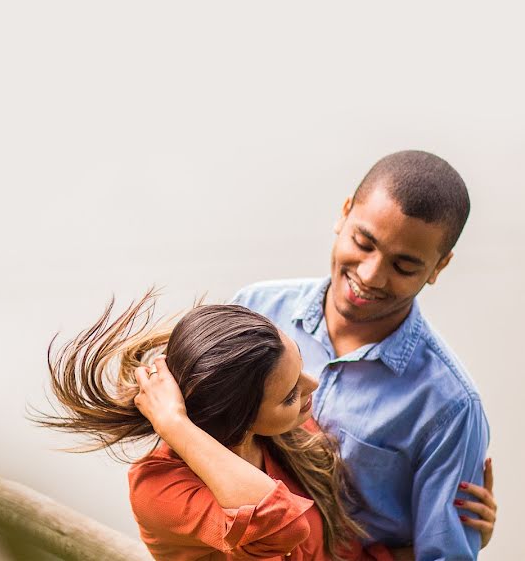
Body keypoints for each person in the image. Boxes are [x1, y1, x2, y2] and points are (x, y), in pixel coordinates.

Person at [37, 294, 495, 559]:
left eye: (299, 364)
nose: (314, 383)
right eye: (291, 393)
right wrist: (175, 424)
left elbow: (336, 549)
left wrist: (454, 534)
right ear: (238, 418)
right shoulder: (160, 489)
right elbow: (281, 527)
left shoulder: (286, 438)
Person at [229, 151, 496, 558]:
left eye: (404, 266)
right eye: (363, 242)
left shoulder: (451, 407)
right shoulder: (256, 309)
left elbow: (445, 552)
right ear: (344, 213)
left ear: (439, 267)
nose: (370, 275)